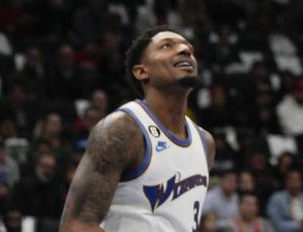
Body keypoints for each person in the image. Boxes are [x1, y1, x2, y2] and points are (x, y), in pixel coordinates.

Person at [58, 26, 214, 232]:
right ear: (141, 71)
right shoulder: (121, 130)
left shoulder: (205, 143)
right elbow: (77, 225)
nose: (185, 50)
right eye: (167, 46)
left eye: (189, 49)